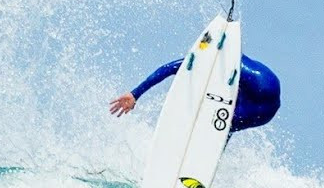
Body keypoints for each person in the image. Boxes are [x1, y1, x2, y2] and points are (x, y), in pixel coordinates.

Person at [109, 54, 280, 133]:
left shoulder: (215, 61)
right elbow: (171, 68)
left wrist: (136, 93)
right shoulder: (214, 61)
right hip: (263, 103)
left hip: (261, 99)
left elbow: (170, 68)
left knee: (217, 126)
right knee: (220, 128)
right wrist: (134, 94)